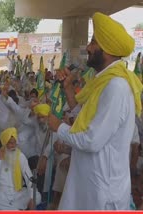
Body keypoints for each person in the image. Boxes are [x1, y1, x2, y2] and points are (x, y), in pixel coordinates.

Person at [48, 12, 143, 210]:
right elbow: (85, 119)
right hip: (89, 187)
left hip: (103, 195)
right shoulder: (102, 82)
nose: (88, 48)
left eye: (93, 42)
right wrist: (67, 90)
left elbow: (91, 140)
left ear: (106, 50)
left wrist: (59, 127)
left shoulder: (116, 86)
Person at [0, 127, 40, 210]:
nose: (13, 146)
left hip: (18, 194)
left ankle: (12, 209)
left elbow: (29, 178)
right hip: (1, 195)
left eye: (14, 143)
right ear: (4, 143)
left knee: (37, 196)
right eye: (10, 143)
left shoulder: (20, 156)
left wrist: (32, 197)